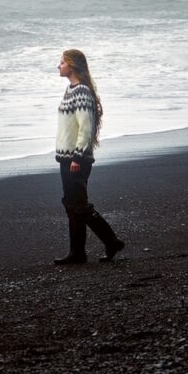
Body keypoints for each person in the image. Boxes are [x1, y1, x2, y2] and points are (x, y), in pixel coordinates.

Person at [54, 48, 125, 265]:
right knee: (71, 204)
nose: (58, 65)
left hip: (77, 159)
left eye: (62, 62)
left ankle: (111, 241)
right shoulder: (70, 90)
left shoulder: (82, 92)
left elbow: (86, 128)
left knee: (79, 206)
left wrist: (78, 156)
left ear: (72, 66)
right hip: (66, 158)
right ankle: (77, 253)